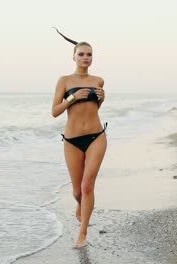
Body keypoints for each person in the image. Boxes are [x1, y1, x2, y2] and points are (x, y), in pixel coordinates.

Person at [51, 28, 107, 249]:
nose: (86, 58)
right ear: (73, 56)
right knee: (77, 192)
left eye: (89, 54)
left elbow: (93, 108)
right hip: (72, 140)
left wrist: (101, 99)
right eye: (82, 54)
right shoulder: (64, 80)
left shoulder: (99, 80)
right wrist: (73, 97)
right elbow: (55, 111)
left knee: (86, 186)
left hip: (96, 137)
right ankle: (80, 206)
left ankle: (82, 234)